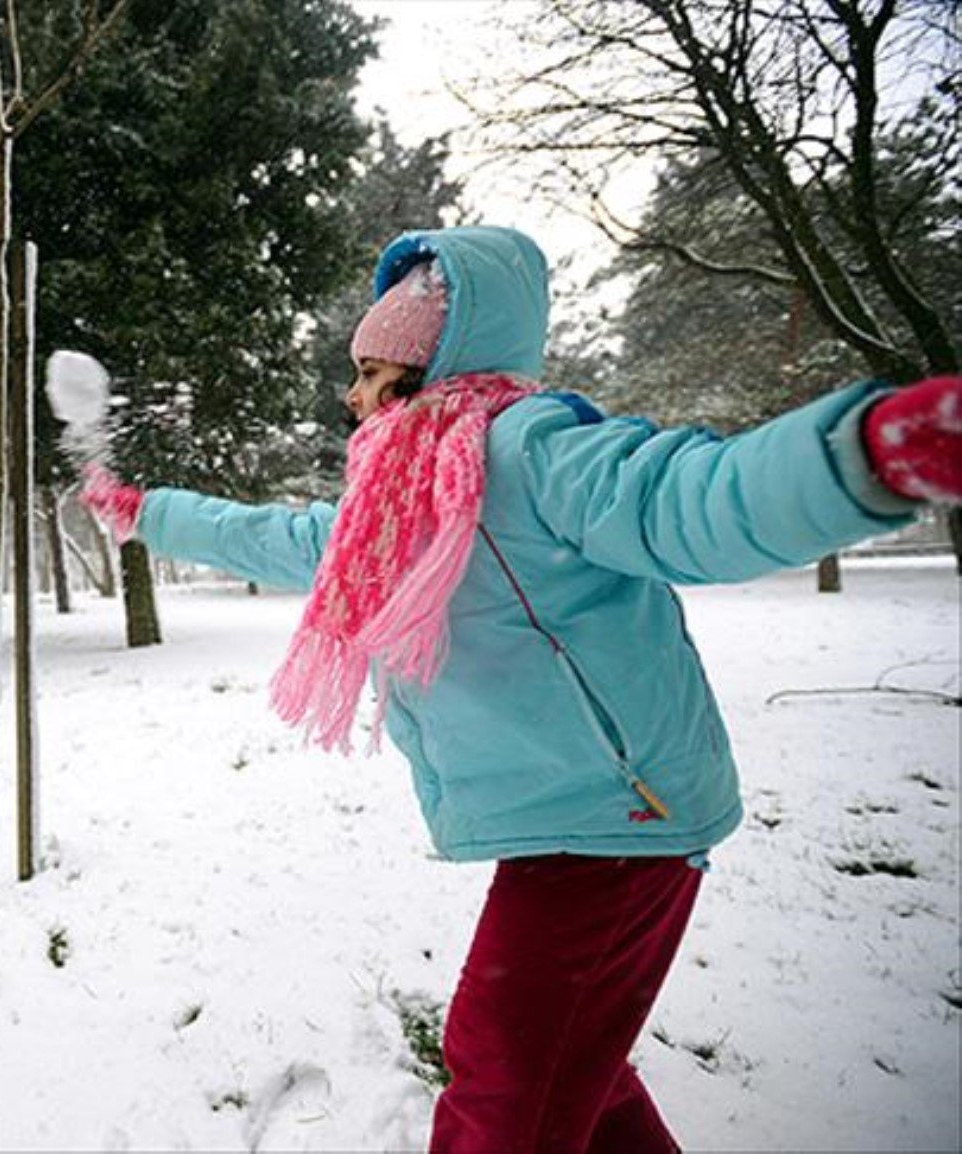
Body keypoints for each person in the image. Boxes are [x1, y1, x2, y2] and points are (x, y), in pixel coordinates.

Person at [78, 225, 962, 1154]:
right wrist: (152, 514)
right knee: (569, 1067)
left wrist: (857, 456)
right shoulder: (398, 497)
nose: (352, 392)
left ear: (432, 371)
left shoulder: (533, 450)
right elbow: (284, 538)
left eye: (373, 368)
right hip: (570, 818)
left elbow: (687, 495)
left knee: (505, 1072)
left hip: (623, 815)